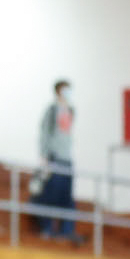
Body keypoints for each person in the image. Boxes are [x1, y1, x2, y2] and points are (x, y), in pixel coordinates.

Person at [36, 80, 79, 242]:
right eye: (65, 89)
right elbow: (44, 133)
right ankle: (47, 228)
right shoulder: (52, 110)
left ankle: (66, 231)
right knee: (51, 194)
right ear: (58, 92)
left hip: (67, 159)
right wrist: (44, 155)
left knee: (67, 197)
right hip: (54, 157)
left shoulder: (71, 110)